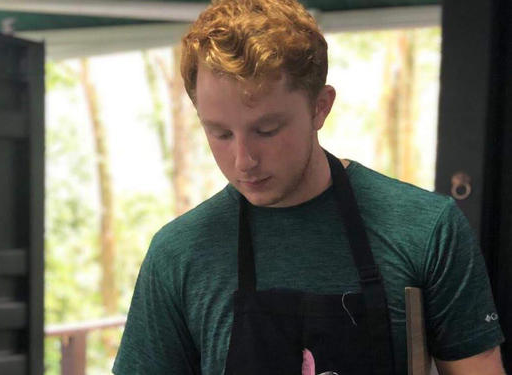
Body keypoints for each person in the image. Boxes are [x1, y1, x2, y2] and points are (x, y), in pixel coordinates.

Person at [113, 0, 506, 374]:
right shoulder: (178, 255)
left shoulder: (426, 230)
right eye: (219, 133)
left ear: (320, 107)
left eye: (266, 130)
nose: (243, 160)